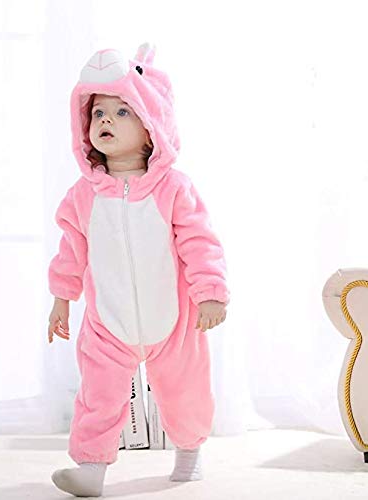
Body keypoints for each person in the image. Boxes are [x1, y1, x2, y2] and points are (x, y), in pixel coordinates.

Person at [47, 42, 230, 497]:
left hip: (175, 318)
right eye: (97, 113)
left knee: (185, 389)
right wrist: (61, 299)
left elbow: (200, 242)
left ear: (151, 129)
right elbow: (71, 251)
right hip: (108, 321)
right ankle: (90, 467)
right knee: (98, 394)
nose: (105, 120)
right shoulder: (83, 196)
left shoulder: (173, 188)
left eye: (121, 111)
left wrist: (210, 292)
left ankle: (189, 452)